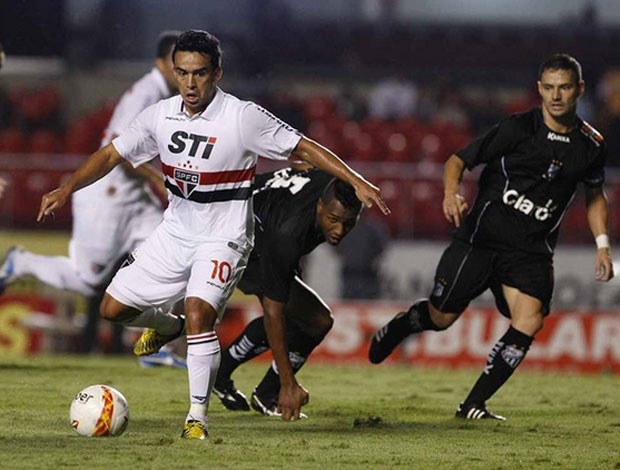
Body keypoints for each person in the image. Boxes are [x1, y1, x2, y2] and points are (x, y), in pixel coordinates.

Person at [37, 30, 389, 440]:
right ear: (173, 71)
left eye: (200, 74)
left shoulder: (243, 117)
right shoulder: (158, 115)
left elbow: (304, 147)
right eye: (182, 73)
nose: (190, 83)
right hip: (176, 230)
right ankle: (168, 327)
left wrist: (356, 179)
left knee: (199, 311)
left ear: (217, 73)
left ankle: (196, 418)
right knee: (112, 309)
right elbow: (112, 154)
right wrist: (67, 187)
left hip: (225, 236)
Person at [369, 53, 613, 420]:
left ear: (579, 89)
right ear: (539, 89)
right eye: (549, 88)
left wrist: (602, 244)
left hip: (530, 252)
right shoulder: (517, 128)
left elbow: (595, 195)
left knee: (530, 318)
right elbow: (457, 160)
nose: (556, 96)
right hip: (480, 241)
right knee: (442, 318)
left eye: (564, 88)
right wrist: (451, 193)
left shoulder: (591, 145)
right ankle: (406, 323)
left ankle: (472, 404)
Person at [0, 32, 182, 358]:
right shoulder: (145, 93)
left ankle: (154, 346)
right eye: (177, 62)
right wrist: (157, 179)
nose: (184, 70)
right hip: (108, 195)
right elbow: (118, 149)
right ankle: (21, 262)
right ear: (160, 62)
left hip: (134, 199)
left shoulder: (168, 96)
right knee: (87, 282)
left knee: (174, 257)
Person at [205, 166, 362, 416]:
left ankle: (222, 375)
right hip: (236, 243)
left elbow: (309, 156)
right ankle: (270, 392)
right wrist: (289, 385)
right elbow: (272, 312)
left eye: (349, 223)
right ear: (320, 207)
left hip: (256, 225)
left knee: (300, 317)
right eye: (333, 220)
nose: (340, 231)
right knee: (315, 320)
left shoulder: (333, 184)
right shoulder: (287, 235)